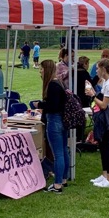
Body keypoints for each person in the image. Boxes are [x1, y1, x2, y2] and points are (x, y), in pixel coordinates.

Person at [36, 60, 69, 193]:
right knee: (63, 151)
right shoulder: (59, 83)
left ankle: (57, 184)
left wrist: (40, 105)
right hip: (62, 120)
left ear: (47, 69)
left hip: (54, 121)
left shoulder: (52, 85)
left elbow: (53, 106)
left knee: (58, 154)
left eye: (41, 69)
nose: (40, 72)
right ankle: (63, 179)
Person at [87, 59, 109, 188]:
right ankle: (104, 175)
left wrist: (93, 96)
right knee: (102, 146)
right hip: (103, 116)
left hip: (107, 116)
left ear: (104, 69)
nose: (96, 71)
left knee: (106, 147)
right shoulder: (106, 82)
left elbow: (104, 105)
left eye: (98, 69)